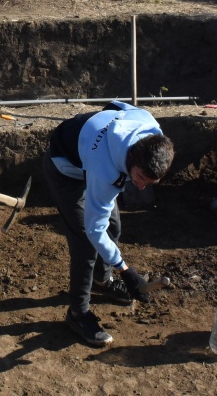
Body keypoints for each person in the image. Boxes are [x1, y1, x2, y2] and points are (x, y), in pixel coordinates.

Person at [43, 101, 174, 347]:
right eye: (139, 178)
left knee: (113, 226)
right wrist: (125, 270)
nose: (141, 186)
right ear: (132, 158)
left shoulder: (149, 127)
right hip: (65, 166)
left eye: (149, 182)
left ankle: (102, 281)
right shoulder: (105, 174)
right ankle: (77, 313)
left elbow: (115, 105)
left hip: (95, 155)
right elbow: (94, 229)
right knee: (84, 240)